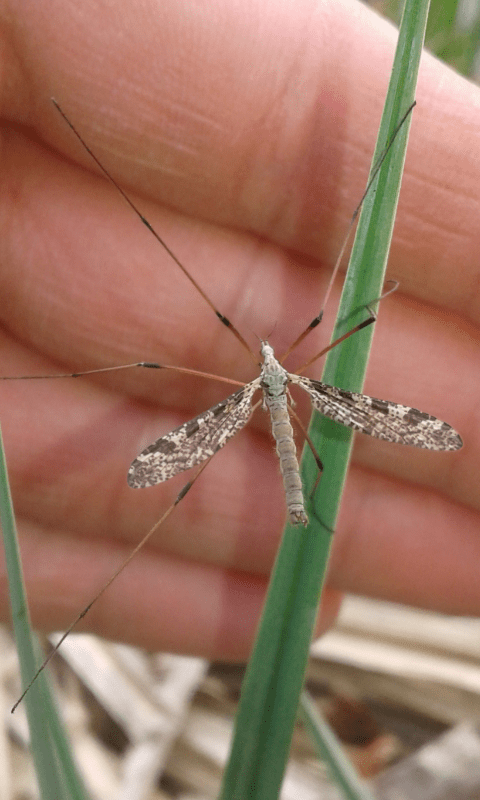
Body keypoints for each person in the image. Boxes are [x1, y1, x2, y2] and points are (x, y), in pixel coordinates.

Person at [0, 0, 478, 662]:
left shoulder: (265, 374)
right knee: (249, 434)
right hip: (282, 401)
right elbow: (350, 315)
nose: (269, 349)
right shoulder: (285, 368)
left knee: (278, 428)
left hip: (275, 399)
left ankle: (383, 167)